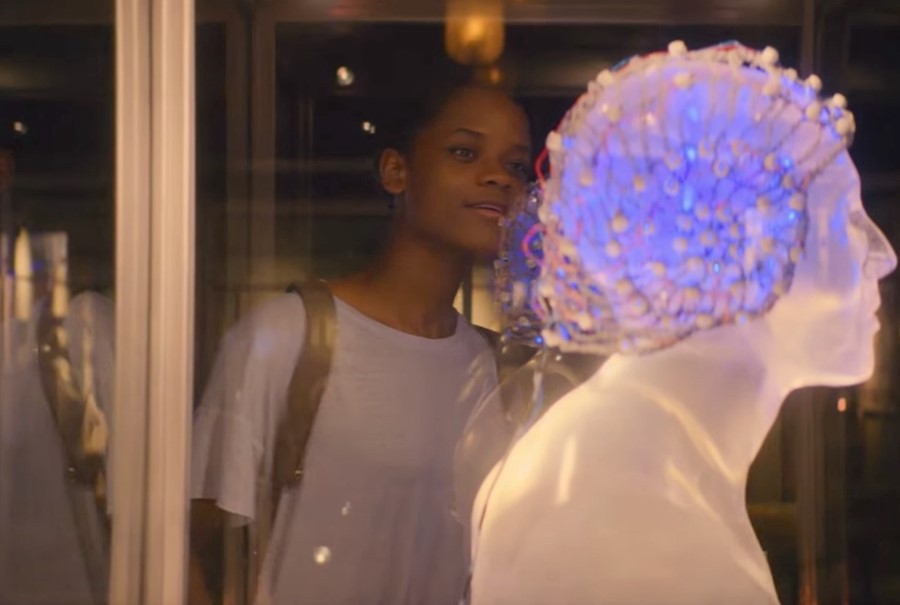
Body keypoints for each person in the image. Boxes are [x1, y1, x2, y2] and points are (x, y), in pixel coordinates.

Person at [468, 41, 897, 605]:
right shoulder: (616, 510)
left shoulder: (640, 463)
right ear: (746, 244)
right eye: (846, 219)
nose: (884, 255)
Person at [189, 67, 533, 605]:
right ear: (396, 170)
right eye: (465, 153)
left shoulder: (492, 370)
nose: (500, 178)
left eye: (516, 165)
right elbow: (187, 547)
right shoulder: (289, 337)